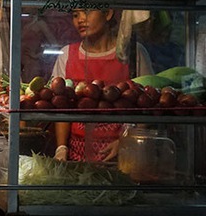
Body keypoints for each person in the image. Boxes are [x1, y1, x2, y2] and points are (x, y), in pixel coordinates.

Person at [51, 9, 153, 163]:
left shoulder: (132, 52)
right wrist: (61, 148)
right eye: (75, 15)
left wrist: (126, 141)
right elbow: (61, 108)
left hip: (125, 154)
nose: (80, 20)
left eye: (86, 12)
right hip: (76, 154)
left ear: (108, 14)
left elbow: (148, 104)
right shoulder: (66, 55)